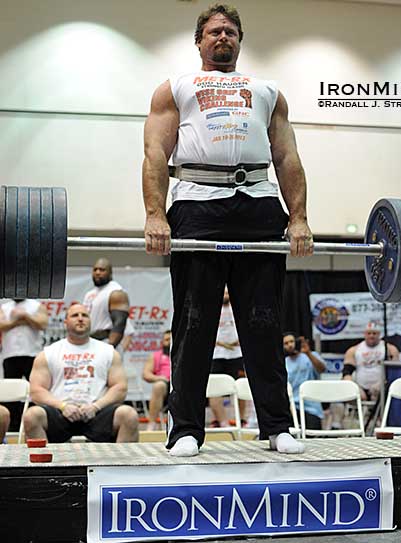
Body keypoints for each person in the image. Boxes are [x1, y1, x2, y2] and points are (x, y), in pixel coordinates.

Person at [142, 4, 313, 456]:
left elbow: (288, 157)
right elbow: (155, 154)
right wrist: (155, 214)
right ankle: (185, 431)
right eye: (215, 31)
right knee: (194, 321)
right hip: (198, 205)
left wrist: (298, 218)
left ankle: (277, 427)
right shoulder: (176, 87)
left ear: (240, 40)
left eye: (231, 32)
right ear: (199, 41)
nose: (223, 38)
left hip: (258, 203)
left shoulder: (267, 91)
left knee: (263, 320)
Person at [23, 304, 139, 443]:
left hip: (97, 411)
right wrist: (63, 406)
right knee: (32, 416)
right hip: (61, 411)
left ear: (91, 321)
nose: (80, 319)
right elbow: (36, 390)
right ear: (65, 322)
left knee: (129, 415)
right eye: (74, 315)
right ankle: (43, 464)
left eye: (84, 315)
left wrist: (96, 407)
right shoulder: (48, 353)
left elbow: (120, 388)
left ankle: (120, 464)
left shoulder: (108, 352)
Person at [0, 299, 48, 430]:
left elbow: (43, 324)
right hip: (10, 354)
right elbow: (1, 325)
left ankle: (34, 423)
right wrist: (17, 321)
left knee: (35, 391)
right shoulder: (5, 307)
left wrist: (26, 316)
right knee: (10, 393)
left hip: (32, 354)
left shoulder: (36, 305)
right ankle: (12, 427)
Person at [209, 286, 246, 427]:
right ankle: (221, 421)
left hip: (236, 353)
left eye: (227, 292)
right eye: (223, 292)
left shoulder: (240, 307)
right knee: (214, 387)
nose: (225, 295)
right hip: (217, 353)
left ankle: (241, 420)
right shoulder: (210, 307)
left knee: (240, 386)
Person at [342, 321, 400, 401]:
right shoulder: (354, 350)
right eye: (369, 333)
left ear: (379, 334)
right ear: (364, 334)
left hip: (382, 387)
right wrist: (354, 389)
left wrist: (382, 385)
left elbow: (395, 372)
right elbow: (346, 373)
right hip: (361, 387)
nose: (371, 336)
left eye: (374, 333)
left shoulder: (390, 349)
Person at [82, 258, 130, 348]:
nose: (97, 272)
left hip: (106, 341)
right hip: (90, 342)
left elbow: (119, 323)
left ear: (110, 273)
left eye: (102, 270)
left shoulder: (116, 292)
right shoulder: (90, 294)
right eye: (95, 269)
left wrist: (110, 347)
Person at [283, 333, 326, 430]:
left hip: (311, 406)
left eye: (291, 342)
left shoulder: (311, 355)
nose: (290, 345)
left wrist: (308, 353)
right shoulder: (284, 362)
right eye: (286, 343)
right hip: (291, 407)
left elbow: (322, 369)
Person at [142, 330, 171, 430]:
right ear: (162, 342)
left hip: (180, 386)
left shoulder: (183, 355)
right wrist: (159, 378)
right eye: (167, 340)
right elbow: (146, 374)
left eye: (172, 339)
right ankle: (152, 423)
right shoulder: (156, 356)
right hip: (164, 385)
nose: (170, 342)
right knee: (158, 385)